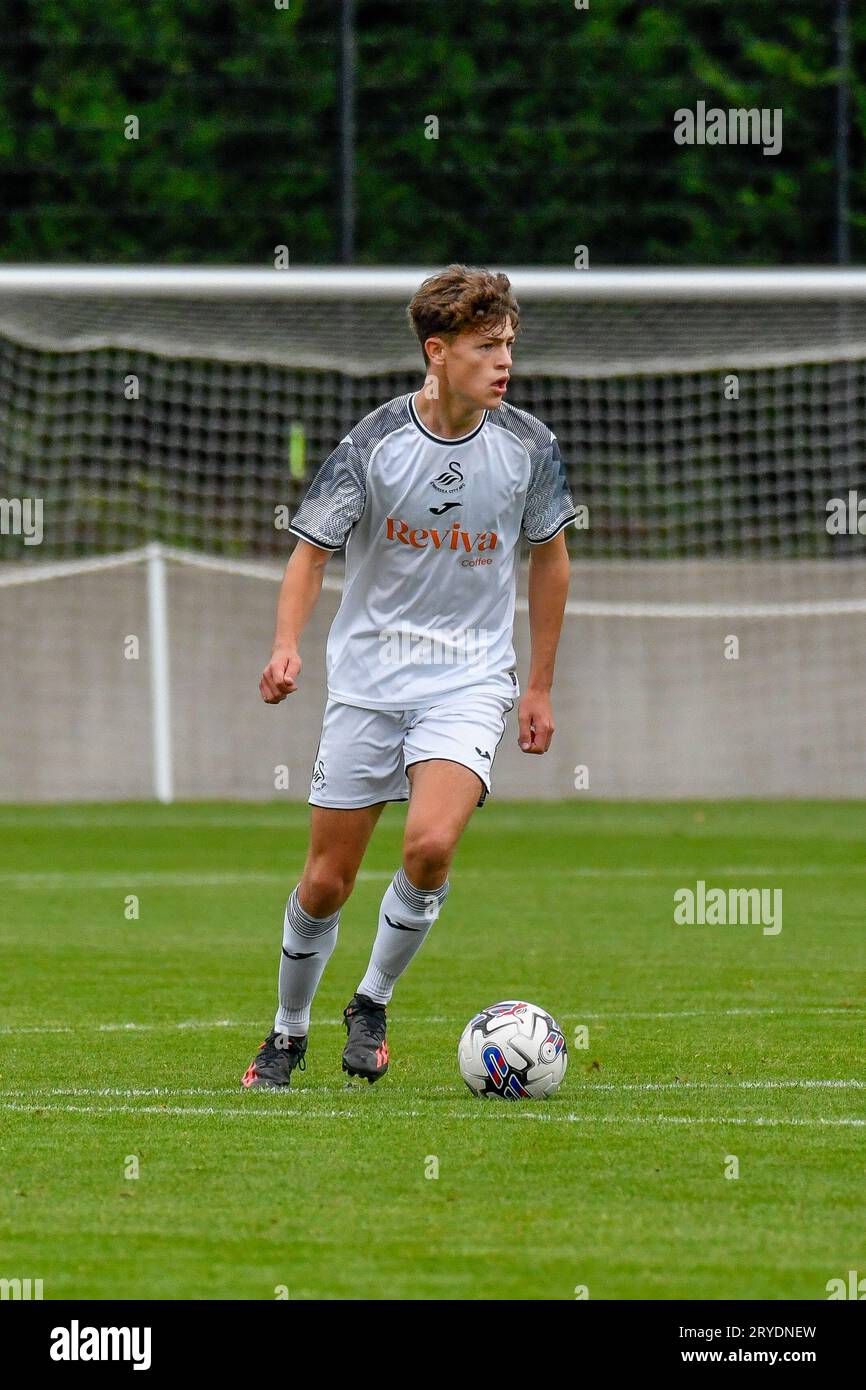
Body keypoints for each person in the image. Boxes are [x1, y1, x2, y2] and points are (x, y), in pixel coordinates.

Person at [241, 263, 575, 1089]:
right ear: (438, 351)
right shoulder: (375, 441)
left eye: (509, 345)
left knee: (429, 846)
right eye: (486, 347)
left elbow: (551, 561)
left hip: (468, 680)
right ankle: (286, 1035)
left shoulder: (530, 446)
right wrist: (287, 644)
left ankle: (372, 1000)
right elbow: (310, 550)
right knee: (326, 882)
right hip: (368, 680)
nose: (504, 362)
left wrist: (537, 686)